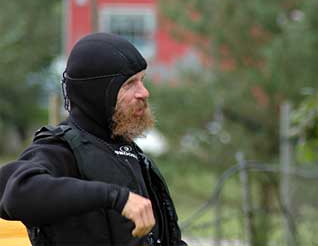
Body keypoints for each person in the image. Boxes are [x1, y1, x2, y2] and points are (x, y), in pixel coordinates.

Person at [0, 33, 188, 246]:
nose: (144, 93)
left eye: (142, 80)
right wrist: (116, 198)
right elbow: (16, 194)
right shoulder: (60, 148)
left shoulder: (129, 151)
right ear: (97, 92)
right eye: (129, 84)